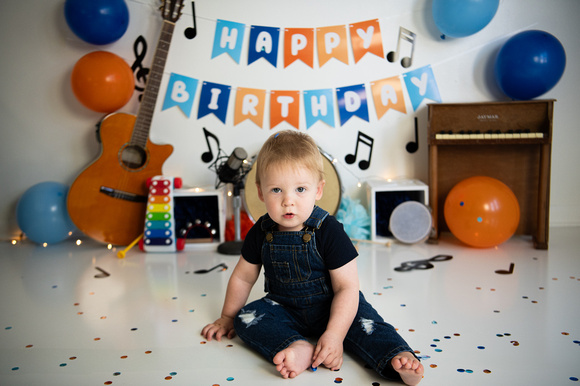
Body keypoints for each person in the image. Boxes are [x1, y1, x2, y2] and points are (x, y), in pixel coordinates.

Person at [201, 130, 423, 385]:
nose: (288, 201)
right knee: (246, 317)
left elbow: (347, 288)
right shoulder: (261, 232)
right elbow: (242, 277)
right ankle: (297, 346)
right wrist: (228, 317)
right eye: (276, 190)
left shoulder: (329, 230)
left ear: (318, 190)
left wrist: (335, 335)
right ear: (260, 192)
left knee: (368, 323)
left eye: (300, 189)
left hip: (335, 306)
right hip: (283, 308)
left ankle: (398, 358)